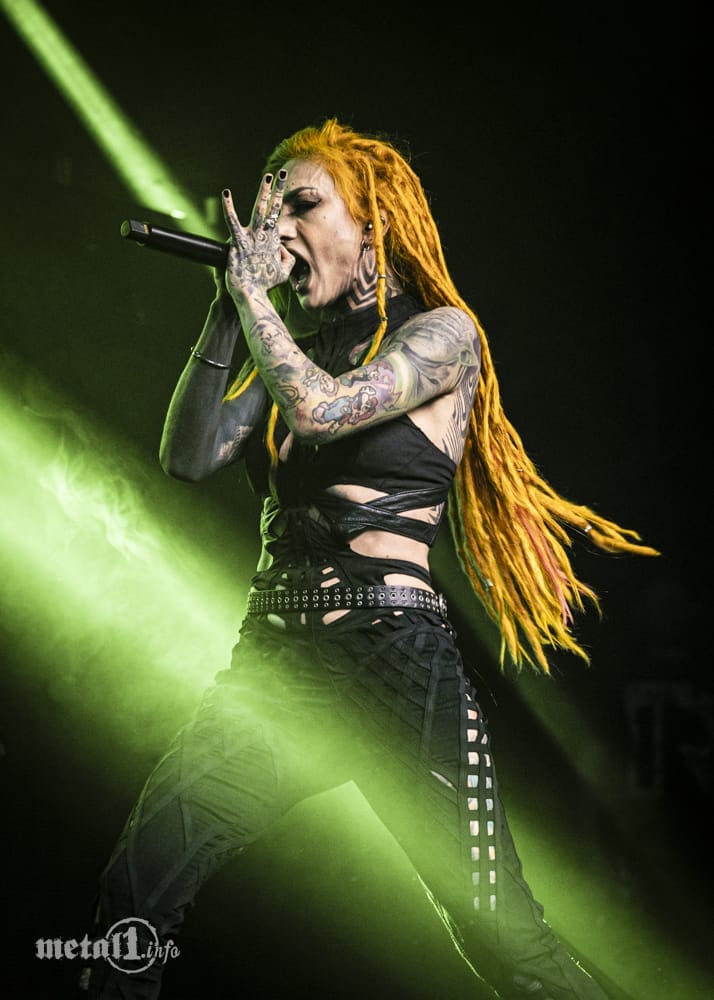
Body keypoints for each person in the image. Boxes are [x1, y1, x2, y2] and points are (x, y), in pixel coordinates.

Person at [82, 118, 658, 999]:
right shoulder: (293, 352)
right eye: (270, 211)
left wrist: (255, 304)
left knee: (506, 948)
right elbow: (189, 456)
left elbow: (321, 411)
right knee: (133, 893)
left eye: (303, 206)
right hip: (277, 665)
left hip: (399, 664)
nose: (278, 230)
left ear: (373, 225)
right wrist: (227, 307)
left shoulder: (443, 337)